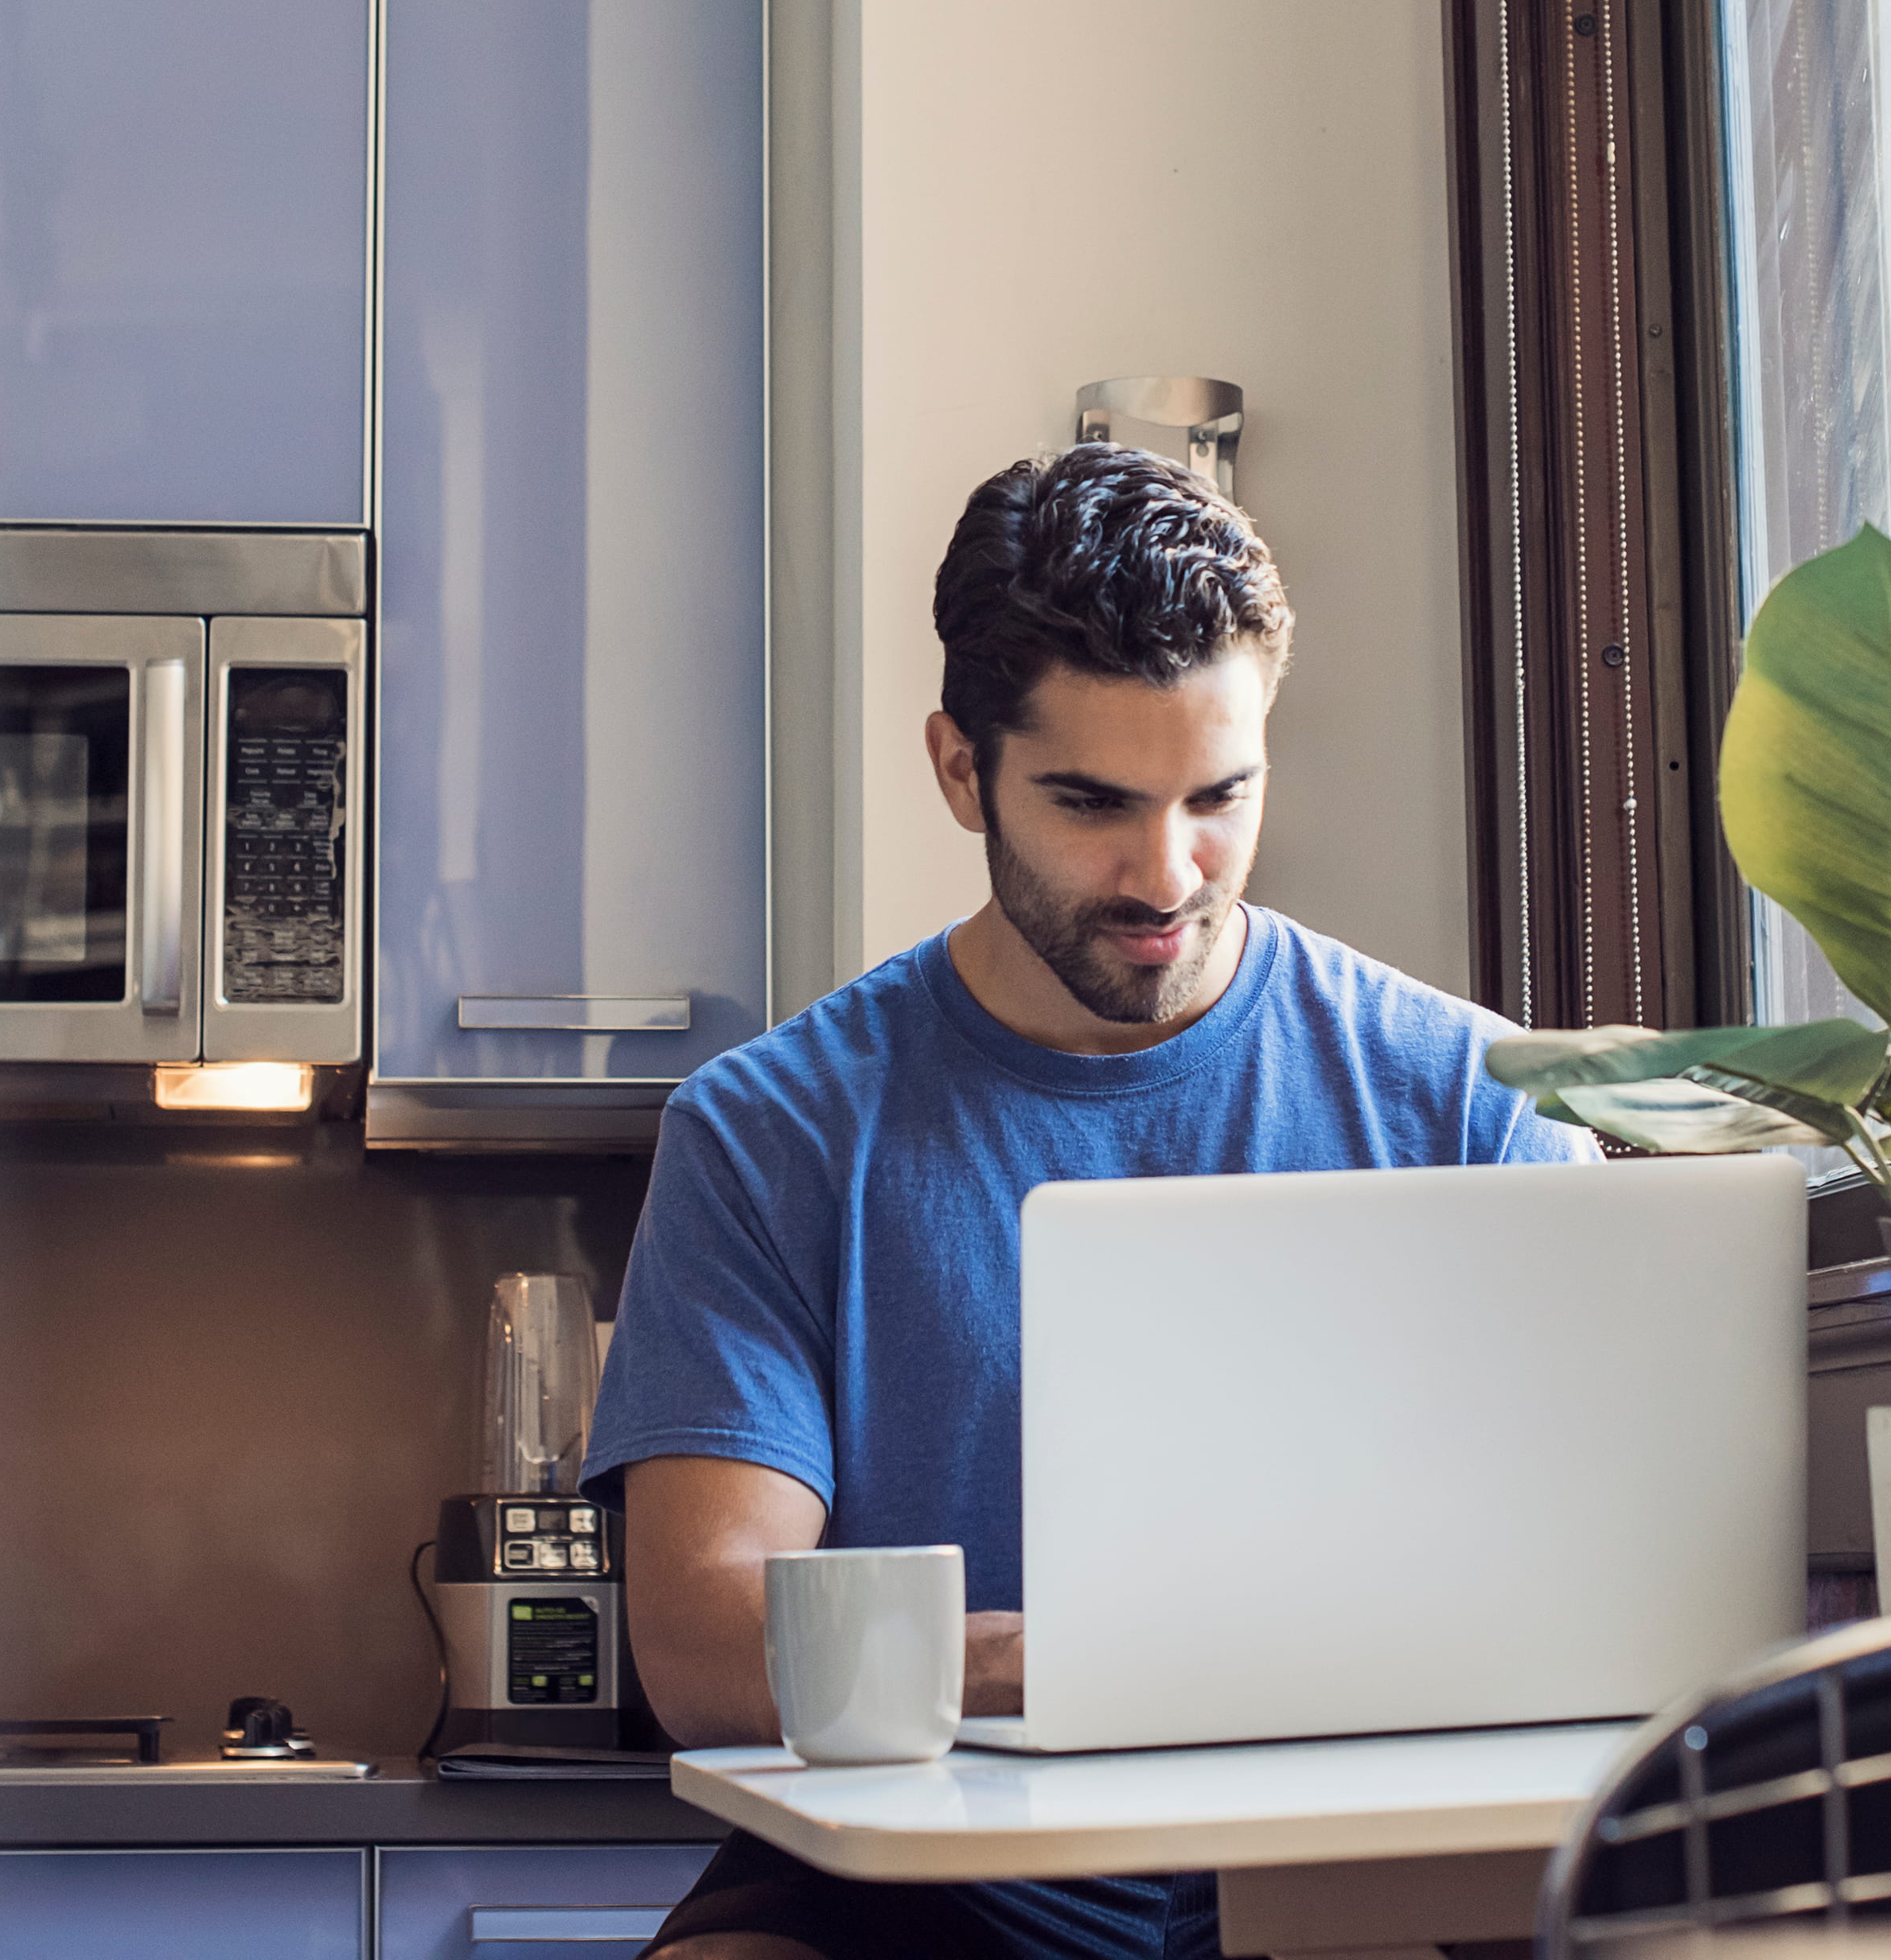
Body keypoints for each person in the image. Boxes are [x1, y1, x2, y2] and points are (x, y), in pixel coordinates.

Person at [583, 444, 1591, 1960]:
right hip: (924, 1875)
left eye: (1218, 796)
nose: (1165, 873)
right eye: (1090, 802)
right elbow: (708, 1643)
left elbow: (1584, 1567)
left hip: (1361, 1848)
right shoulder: (769, 1133)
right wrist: (1057, 1665)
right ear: (956, 768)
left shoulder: (1470, 1098)